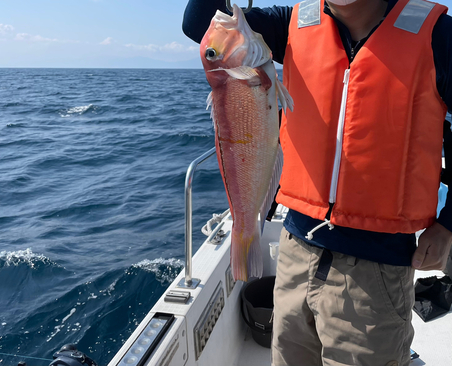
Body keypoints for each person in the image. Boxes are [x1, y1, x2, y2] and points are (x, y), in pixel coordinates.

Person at [183, 0, 452, 365]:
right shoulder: (290, 23)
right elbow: (200, 23)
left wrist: (448, 225)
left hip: (378, 266)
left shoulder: (438, 35)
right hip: (296, 249)